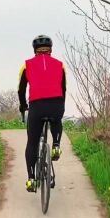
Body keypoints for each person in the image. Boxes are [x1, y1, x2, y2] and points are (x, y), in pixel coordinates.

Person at [18, 34, 66, 192]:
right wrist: (61, 107)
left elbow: (21, 89)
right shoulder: (60, 65)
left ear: (35, 50)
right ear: (50, 49)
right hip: (56, 104)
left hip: (37, 107)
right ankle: (56, 145)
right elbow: (63, 88)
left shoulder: (26, 65)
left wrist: (23, 106)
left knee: (32, 143)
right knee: (56, 120)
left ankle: (31, 179)